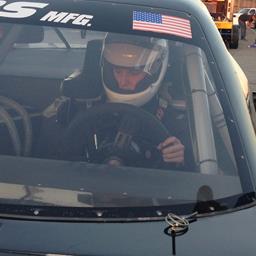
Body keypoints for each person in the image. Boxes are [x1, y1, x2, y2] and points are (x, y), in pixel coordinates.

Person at [100, 33, 185, 165]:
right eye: (118, 71)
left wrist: (179, 157)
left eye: (134, 72)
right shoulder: (88, 105)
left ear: (156, 70)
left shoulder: (172, 120)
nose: (123, 82)